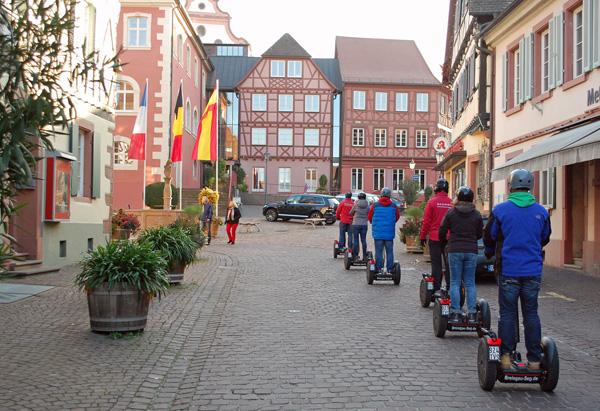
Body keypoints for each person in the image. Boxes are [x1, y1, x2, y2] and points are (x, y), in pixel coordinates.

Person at [483, 169, 551, 371]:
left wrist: (489, 253)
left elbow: (489, 236)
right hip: (532, 270)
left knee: (507, 313)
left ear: (510, 187)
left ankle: (505, 356)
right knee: (531, 314)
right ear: (531, 187)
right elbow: (545, 237)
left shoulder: (501, 210)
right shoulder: (542, 211)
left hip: (508, 270)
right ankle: (535, 359)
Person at [438, 187, 483, 322]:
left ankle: (456, 311)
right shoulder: (476, 214)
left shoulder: (451, 213)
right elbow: (480, 234)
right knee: (470, 282)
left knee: (455, 282)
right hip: (471, 250)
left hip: (455, 249)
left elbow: (442, 230)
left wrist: (445, 242)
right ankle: (472, 313)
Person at [420, 178, 453, 293]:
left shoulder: (431, 202)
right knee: (449, 264)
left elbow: (426, 222)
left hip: (435, 238)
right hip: (449, 238)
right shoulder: (452, 203)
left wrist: (423, 236)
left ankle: (436, 288)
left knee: (436, 264)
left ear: (436, 189)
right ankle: (450, 288)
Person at [368, 187, 400, 273]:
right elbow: (397, 217)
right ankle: (390, 269)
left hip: (378, 232)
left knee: (378, 251)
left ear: (381, 195)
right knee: (389, 251)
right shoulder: (394, 205)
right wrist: (391, 223)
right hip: (389, 233)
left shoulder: (375, 205)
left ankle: (378, 269)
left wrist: (373, 223)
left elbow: (370, 216)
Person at [349, 192, 369, 261]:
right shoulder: (367, 205)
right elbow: (369, 213)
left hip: (356, 224)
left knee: (356, 240)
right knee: (363, 240)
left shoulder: (355, 205)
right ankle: (365, 256)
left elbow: (350, 213)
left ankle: (355, 256)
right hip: (364, 224)